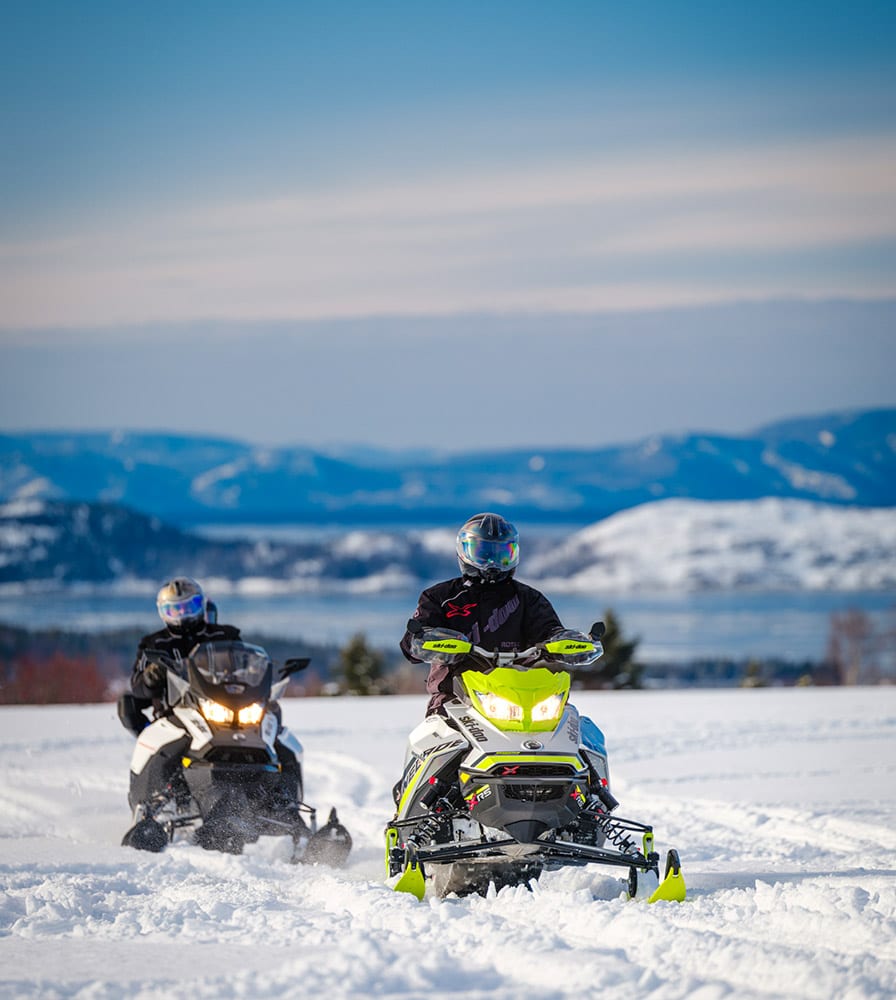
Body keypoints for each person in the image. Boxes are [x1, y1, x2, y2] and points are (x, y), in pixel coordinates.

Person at [400, 512, 566, 716]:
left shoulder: (529, 598)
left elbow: (550, 631)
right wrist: (425, 640)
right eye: (484, 553)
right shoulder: (440, 597)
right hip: (456, 697)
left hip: (522, 696)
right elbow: (411, 644)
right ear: (464, 551)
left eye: (502, 554)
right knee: (441, 736)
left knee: (573, 724)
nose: (493, 563)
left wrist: (565, 643)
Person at [118, 576, 241, 735]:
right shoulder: (155, 644)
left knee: (269, 716)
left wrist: (250, 670)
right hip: (173, 716)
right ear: (163, 612)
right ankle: (152, 749)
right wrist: (150, 678)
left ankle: (280, 757)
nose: (183, 614)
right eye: (174, 609)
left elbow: (245, 663)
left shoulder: (224, 635)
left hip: (224, 711)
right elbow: (137, 687)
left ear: (202, 604)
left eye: (190, 606)